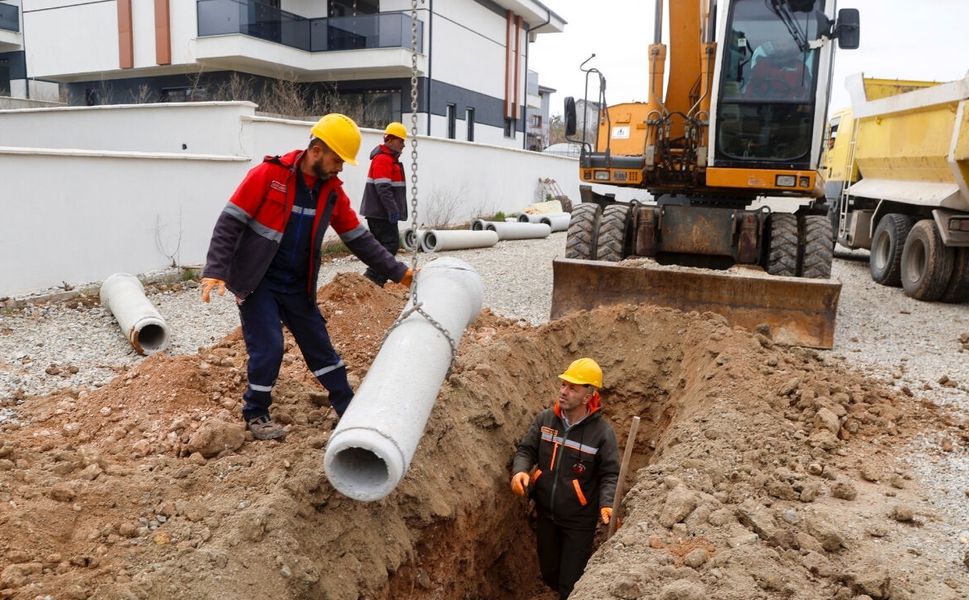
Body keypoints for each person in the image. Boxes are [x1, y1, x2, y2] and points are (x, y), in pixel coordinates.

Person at [199, 113, 414, 441]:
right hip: (259, 282)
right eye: (337, 159)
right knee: (269, 346)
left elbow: (358, 238)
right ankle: (256, 412)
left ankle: (347, 406)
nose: (340, 168)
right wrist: (215, 269)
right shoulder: (268, 175)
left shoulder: (331, 192)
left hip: (298, 284)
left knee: (320, 347)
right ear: (316, 150)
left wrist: (400, 273)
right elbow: (230, 222)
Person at [510, 358, 620, 599]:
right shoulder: (545, 420)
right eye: (563, 385)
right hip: (545, 512)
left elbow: (610, 473)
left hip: (578, 520)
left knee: (571, 582)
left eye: (573, 388)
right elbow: (526, 450)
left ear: (588, 395)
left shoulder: (602, 434)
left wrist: (607, 504)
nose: (564, 391)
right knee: (549, 573)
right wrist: (520, 471)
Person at [359, 122, 408, 286]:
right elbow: (383, 188)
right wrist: (392, 210)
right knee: (390, 245)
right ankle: (373, 280)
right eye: (401, 141)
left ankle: (373, 281)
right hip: (380, 214)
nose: (403, 145)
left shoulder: (388, 159)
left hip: (380, 212)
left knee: (383, 247)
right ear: (391, 139)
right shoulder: (383, 159)